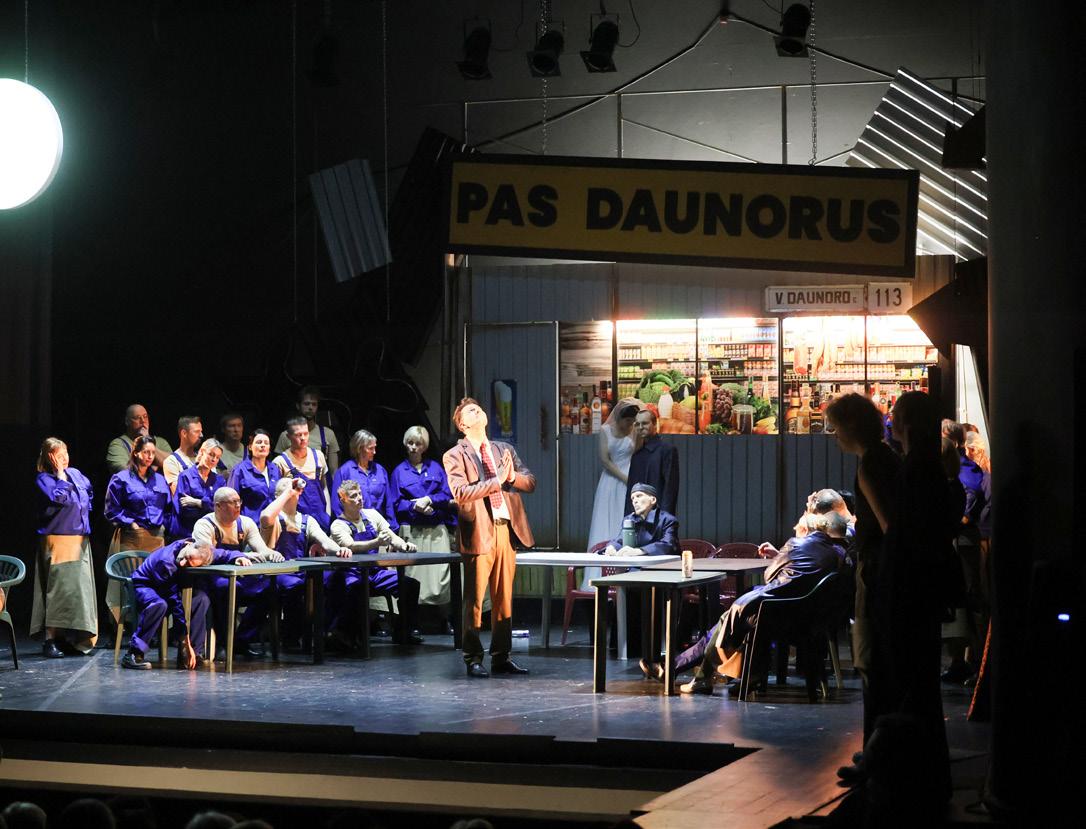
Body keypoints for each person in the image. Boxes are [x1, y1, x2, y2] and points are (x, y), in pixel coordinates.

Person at [867, 391, 955, 806]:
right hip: (920, 591)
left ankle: (911, 779)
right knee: (920, 686)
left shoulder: (915, 469)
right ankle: (924, 778)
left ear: (908, 424)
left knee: (910, 682)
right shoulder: (927, 466)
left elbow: (905, 535)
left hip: (908, 592)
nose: (891, 422)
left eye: (896, 416)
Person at [655, 511, 847, 694]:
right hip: (809, 618)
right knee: (732, 617)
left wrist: (783, 556)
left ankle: (692, 674)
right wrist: (781, 557)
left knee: (728, 619)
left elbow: (769, 576)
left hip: (777, 615)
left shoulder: (796, 544)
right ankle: (709, 675)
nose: (794, 528)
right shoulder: (835, 553)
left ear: (805, 530)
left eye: (798, 526)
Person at [824, 392, 901, 767]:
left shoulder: (869, 467)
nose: (834, 434)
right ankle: (884, 749)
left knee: (871, 661)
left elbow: (889, 526)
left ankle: (875, 752)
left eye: (836, 427)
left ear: (851, 427)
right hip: (889, 575)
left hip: (876, 573)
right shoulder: (889, 458)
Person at [443, 397, 535, 678]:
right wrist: (496, 481)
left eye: (478, 408)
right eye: (471, 411)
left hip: (505, 528)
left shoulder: (503, 449)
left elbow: (530, 481)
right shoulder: (454, 455)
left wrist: (510, 477)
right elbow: (461, 493)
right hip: (479, 530)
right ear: (462, 424)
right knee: (474, 599)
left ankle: (501, 656)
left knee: (503, 598)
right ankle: (472, 657)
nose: (478, 411)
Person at [121, 538, 252, 670]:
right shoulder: (166, 561)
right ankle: (134, 653)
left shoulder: (202, 551)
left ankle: (193, 654)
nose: (183, 562)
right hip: (145, 585)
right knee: (159, 605)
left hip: (171, 587)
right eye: (187, 557)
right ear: (188, 545)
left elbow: (223, 554)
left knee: (201, 599)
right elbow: (175, 604)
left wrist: (238, 557)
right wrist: (185, 640)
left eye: (189, 563)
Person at [193, 487, 284, 659]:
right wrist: (241, 555)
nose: (237, 505)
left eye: (238, 501)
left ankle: (241, 639)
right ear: (218, 506)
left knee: (270, 589)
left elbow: (261, 548)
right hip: (211, 580)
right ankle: (223, 643)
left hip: (238, 579)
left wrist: (271, 554)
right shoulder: (204, 525)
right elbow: (207, 554)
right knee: (227, 588)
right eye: (232, 502)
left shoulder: (246, 523)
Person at [329, 479, 423, 646]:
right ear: (343, 500)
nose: (359, 498)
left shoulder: (372, 515)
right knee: (356, 589)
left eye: (359, 494)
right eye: (353, 496)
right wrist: (377, 542)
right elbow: (351, 546)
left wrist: (403, 545)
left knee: (410, 584)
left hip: (375, 572)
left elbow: (390, 535)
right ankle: (349, 636)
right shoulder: (338, 525)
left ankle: (403, 632)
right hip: (352, 574)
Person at [261, 476, 350, 643]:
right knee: (294, 587)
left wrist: (339, 550)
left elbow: (325, 541)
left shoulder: (306, 520)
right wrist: (288, 492)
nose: (292, 490)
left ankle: (325, 630)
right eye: (287, 488)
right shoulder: (274, 517)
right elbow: (266, 517)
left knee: (336, 578)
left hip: (301, 570)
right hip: (277, 571)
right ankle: (292, 637)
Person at [32, 437, 98, 657]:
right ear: (49, 458)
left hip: (79, 541)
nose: (64, 459)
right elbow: (58, 498)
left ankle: (69, 637)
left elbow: (88, 492)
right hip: (58, 541)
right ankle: (50, 639)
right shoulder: (45, 479)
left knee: (78, 595)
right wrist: (60, 474)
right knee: (58, 592)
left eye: (66, 454)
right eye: (59, 456)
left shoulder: (76, 474)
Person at [390, 425, 457, 615]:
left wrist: (430, 500)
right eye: (410, 443)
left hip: (436, 530)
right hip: (412, 530)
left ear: (424, 446)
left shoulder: (435, 468)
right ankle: (413, 619)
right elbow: (395, 502)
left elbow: (446, 494)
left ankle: (443, 619)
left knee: (440, 576)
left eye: (418, 444)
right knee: (413, 576)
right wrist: (414, 507)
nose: (413, 447)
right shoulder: (399, 471)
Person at [583, 400, 641, 585]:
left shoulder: (634, 430)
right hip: (611, 480)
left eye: (632, 421)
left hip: (630, 477)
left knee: (625, 520)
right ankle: (599, 577)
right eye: (627, 421)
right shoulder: (605, 430)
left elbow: (637, 451)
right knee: (606, 520)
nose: (630, 424)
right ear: (619, 418)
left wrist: (631, 478)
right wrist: (624, 477)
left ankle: (628, 576)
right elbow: (605, 460)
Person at [273, 417, 333, 531]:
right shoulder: (280, 462)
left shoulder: (318, 456)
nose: (303, 438)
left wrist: (328, 514)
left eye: (306, 433)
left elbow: (324, 487)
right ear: (289, 436)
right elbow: (276, 496)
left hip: (321, 518)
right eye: (298, 435)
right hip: (296, 522)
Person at [332, 429, 399, 531]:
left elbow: (388, 503)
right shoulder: (344, 471)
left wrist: (392, 527)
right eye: (370, 448)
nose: (374, 452)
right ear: (359, 448)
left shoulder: (380, 470)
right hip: (355, 528)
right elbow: (337, 504)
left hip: (379, 527)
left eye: (375, 447)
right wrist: (347, 527)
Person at [624, 409, 679, 517]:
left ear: (654, 424)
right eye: (637, 424)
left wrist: (665, 518)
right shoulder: (636, 455)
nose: (640, 427)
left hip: (659, 515)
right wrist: (628, 517)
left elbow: (670, 488)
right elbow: (631, 489)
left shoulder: (667, 450)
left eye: (645, 423)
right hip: (638, 516)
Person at [168, 439, 225, 541]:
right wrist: (210, 506)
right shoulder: (186, 476)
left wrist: (198, 502)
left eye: (217, 457)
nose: (214, 459)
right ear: (202, 452)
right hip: (187, 533)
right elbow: (184, 509)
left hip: (210, 534)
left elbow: (222, 510)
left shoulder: (219, 481)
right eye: (211, 454)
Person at [601, 483, 679, 557]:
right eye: (633, 498)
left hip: (661, 565)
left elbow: (669, 545)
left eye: (639, 496)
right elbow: (620, 539)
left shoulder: (667, 520)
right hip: (634, 564)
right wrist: (612, 547)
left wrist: (639, 551)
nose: (635, 501)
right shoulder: (629, 519)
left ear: (653, 500)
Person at [274, 385, 340, 471]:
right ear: (298, 406)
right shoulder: (286, 435)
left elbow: (334, 471)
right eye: (306, 404)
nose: (310, 407)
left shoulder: (328, 434)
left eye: (314, 404)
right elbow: (277, 470)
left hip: (319, 478)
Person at [227, 429, 282, 524]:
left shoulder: (275, 469)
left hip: (275, 525)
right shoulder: (240, 470)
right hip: (250, 525)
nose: (263, 445)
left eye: (266, 443)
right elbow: (230, 502)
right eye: (259, 442)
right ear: (250, 447)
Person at [105, 403, 171, 475]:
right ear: (127, 421)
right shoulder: (118, 444)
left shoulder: (161, 442)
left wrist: (147, 440)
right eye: (137, 418)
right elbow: (124, 472)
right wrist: (153, 466)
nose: (143, 421)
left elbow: (173, 466)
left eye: (145, 417)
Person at [162, 416, 204, 494]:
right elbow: (179, 494)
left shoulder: (204, 457)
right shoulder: (171, 461)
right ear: (184, 433)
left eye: (201, 431)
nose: (201, 435)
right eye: (197, 431)